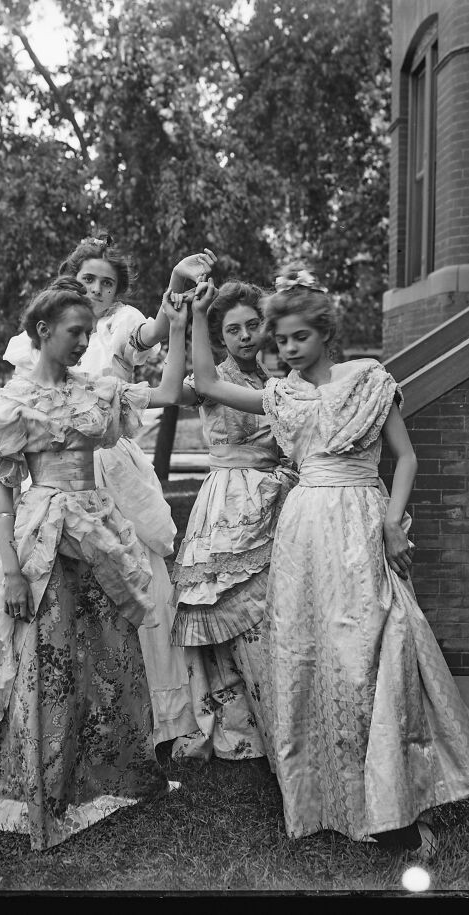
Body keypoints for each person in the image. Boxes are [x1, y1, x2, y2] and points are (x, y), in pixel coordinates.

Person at [189, 268, 469, 859]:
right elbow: (204, 381)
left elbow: (405, 459)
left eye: (297, 337)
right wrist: (200, 315)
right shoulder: (283, 394)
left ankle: (389, 805)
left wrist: (390, 523)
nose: (286, 349)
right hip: (304, 530)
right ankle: (326, 801)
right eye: (279, 341)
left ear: (326, 333)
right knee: (310, 655)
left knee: (378, 648)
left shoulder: (370, 382)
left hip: (361, 524)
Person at [0, 282, 189, 850]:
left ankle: (111, 773)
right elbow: (5, 500)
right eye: (74, 332)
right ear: (42, 333)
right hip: (45, 534)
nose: (84, 342)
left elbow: (172, 389)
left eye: (88, 332)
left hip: (99, 529)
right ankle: (44, 782)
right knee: (48, 658)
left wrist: (180, 318)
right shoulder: (15, 402)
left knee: (108, 652)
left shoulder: (98, 392)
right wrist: (11, 573)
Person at [0, 234, 216, 746]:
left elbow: (161, 370)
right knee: (49, 612)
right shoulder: (30, 373)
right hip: (46, 497)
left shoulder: (112, 359)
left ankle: (136, 720)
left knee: (121, 598)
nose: (98, 291)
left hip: (105, 484)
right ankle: (39, 724)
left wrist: (177, 305)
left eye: (108, 284)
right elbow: (10, 474)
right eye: (89, 281)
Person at [168, 280, 298, 762]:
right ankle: (238, 723)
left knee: (279, 609)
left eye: (253, 325)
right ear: (220, 337)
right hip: (230, 500)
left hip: (282, 493)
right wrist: (196, 320)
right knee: (235, 611)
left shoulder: (280, 377)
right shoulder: (210, 377)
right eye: (233, 329)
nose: (245, 336)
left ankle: (283, 715)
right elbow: (186, 387)